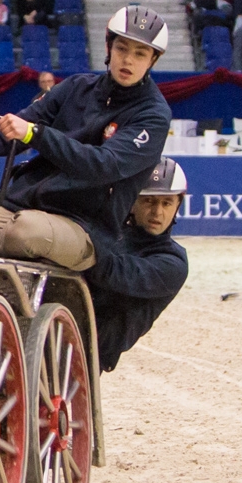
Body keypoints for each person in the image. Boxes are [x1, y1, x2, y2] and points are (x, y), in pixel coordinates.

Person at [0, 6, 172, 271]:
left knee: (23, 232)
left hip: (84, 227)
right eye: (122, 49)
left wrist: (35, 133)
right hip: (21, 206)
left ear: (153, 60)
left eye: (140, 53)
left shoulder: (153, 115)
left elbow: (102, 165)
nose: (128, 60)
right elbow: (1, 137)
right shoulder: (76, 88)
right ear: (109, 47)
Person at [85, 157, 189, 372]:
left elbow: (112, 272)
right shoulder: (111, 233)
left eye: (166, 203)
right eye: (149, 201)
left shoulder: (173, 263)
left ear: (178, 205)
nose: (157, 212)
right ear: (132, 201)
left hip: (94, 345)